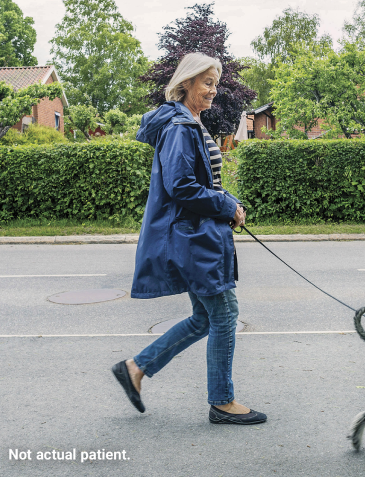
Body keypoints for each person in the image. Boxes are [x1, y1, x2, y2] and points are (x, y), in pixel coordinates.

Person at [111, 52, 266, 425]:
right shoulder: (181, 127)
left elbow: (207, 182)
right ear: (186, 84)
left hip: (198, 235)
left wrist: (230, 203)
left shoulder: (191, 121)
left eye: (216, 83)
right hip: (193, 238)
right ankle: (222, 401)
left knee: (203, 318)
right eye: (206, 83)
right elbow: (181, 186)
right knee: (225, 315)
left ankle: (135, 368)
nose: (213, 90)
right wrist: (226, 205)